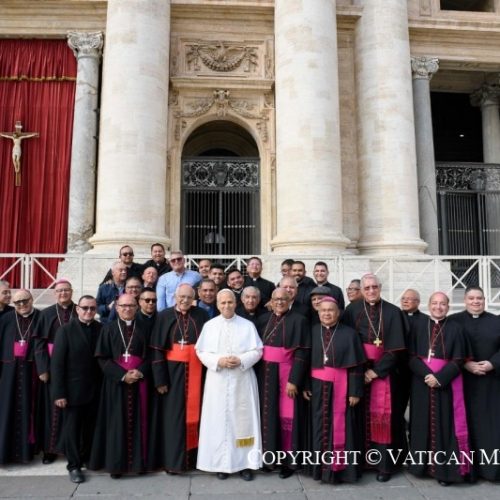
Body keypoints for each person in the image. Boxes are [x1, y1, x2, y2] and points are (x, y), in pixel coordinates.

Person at [342, 273, 407, 482]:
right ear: (361, 290)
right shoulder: (352, 310)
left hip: (384, 374)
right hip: (357, 372)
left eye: (374, 287)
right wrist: (360, 371)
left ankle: (384, 466)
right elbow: (346, 342)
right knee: (357, 418)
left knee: (384, 419)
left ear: (380, 287)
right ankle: (360, 463)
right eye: (367, 288)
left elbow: (396, 349)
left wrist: (375, 372)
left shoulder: (393, 312)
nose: (371, 291)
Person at [196, 289, 263, 481]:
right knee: (217, 422)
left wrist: (241, 359)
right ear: (217, 305)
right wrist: (218, 361)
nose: (227, 306)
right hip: (217, 381)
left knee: (243, 422)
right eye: (223, 303)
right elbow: (200, 351)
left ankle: (245, 464)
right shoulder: (209, 326)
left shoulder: (247, 325)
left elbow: (258, 350)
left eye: (230, 302)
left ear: (236, 303)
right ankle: (220, 465)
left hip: (242, 380)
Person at [408, 292, 473, 486]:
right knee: (421, 424)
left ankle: (444, 471)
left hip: (446, 384)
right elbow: (410, 356)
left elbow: (459, 359)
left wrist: (440, 378)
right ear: (429, 305)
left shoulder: (456, 328)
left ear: (448, 306)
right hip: (421, 383)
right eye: (435, 303)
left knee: (445, 426)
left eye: (442, 304)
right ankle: (421, 467)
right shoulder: (418, 326)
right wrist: (427, 375)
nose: (438, 307)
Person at [304, 297, 365, 484]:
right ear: (318, 312)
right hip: (317, 387)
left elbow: (357, 366)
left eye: (331, 310)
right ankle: (318, 469)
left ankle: (341, 471)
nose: (327, 313)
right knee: (318, 426)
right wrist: (306, 385)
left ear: (338, 313)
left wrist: (355, 391)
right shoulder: (312, 331)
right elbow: (305, 360)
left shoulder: (350, 334)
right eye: (323, 310)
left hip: (342, 387)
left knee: (343, 427)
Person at [89, 293, 151, 478]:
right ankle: (116, 466)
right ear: (116, 308)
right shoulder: (107, 329)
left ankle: (138, 464)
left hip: (140, 382)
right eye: (123, 306)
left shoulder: (145, 328)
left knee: (139, 422)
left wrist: (140, 372)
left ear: (137, 307)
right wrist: (122, 375)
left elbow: (152, 356)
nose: (127, 309)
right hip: (115, 384)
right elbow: (102, 358)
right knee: (116, 424)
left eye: (131, 305)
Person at [149, 284, 209, 473]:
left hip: (198, 373)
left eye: (189, 297)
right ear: (175, 297)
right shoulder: (164, 316)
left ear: (194, 298)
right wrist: (160, 380)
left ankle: (194, 461)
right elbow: (157, 350)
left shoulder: (201, 315)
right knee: (173, 418)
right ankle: (173, 462)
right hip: (171, 375)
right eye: (182, 296)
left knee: (197, 416)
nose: (185, 300)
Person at [257, 287, 310, 479]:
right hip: (265, 375)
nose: (279, 302)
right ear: (271, 301)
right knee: (268, 416)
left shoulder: (299, 320)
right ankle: (270, 459)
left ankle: (289, 462)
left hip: (286, 375)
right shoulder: (264, 319)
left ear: (290, 301)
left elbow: (302, 352)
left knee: (287, 417)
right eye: (276, 299)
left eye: (283, 299)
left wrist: (294, 380)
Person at [450, 286, 500, 482]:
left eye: (479, 298)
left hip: (491, 382)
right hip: (463, 382)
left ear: (484, 300)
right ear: (464, 300)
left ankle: (491, 470)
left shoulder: (496, 321)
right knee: (465, 425)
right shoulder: (453, 321)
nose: (475, 302)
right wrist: (465, 364)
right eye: (471, 298)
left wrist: (492, 363)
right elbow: (447, 348)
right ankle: (467, 470)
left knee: (491, 426)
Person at [51, 295, 102, 484]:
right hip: (72, 391)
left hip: (95, 390)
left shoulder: (101, 328)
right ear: (77, 309)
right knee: (72, 430)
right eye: (85, 308)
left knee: (90, 428)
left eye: (92, 308)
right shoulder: (65, 330)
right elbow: (57, 364)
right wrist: (59, 393)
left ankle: (86, 458)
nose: (89, 311)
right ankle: (73, 466)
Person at [33, 279, 77, 464]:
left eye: (66, 290)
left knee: (73, 411)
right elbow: (39, 344)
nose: (63, 293)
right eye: (59, 291)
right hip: (52, 369)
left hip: (75, 371)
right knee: (51, 411)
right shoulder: (46, 314)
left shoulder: (80, 310)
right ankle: (50, 450)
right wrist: (43, 368)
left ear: (72, 292)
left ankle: (71, 449)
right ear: (54, 294)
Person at [0, 290, 40, 464]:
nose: (22, 304)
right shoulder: (6, 319)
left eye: (25, 300)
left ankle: (26, 452)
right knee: (6, 410)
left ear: (31, 299)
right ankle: (4, 452)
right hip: (9, 372)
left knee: (29, 409)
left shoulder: (40, 317)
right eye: (17, 302)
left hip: (32, 372)